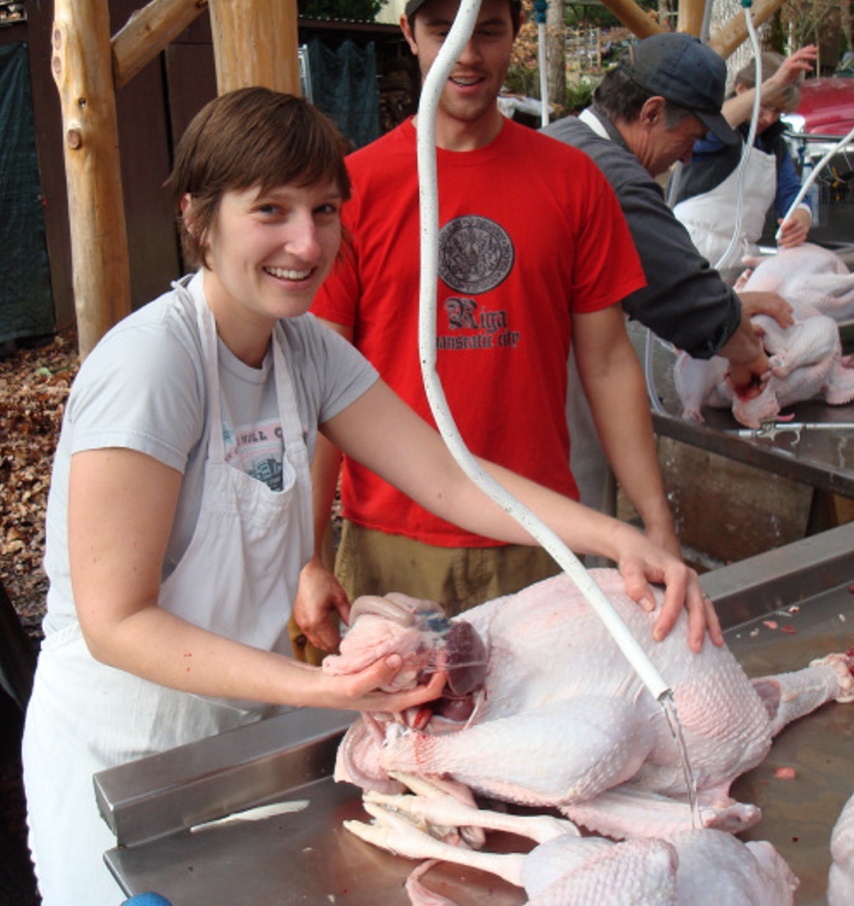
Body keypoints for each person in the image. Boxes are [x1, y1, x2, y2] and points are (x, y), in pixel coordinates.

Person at [20, 88, 719, 906]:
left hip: (238, 739)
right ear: (198, 217)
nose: (305, 242)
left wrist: (615, 536)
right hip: (124, 759)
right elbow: (117, 622)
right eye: (270, 211)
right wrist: (325, 689)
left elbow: (450, 475)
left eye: (324, 210)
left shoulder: (306, 350)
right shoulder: (153, 368)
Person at [304, 0, 679, 633]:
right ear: (409, 35)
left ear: (516, 33)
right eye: (442, 31)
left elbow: (609, 363)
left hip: (536, 531)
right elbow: (318, 384)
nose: (467, 54)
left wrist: (656, 519)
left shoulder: (574, 182)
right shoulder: (350, 190)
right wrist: (306, 555)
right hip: (393, 536)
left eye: (488, 31)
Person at [541, 33, 793, 395]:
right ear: (651, 113)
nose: (688, 157)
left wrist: (731, 306)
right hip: (555, 396)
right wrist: (749, 354)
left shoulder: (560, 136)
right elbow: (691, 304)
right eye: (689, 139)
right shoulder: (616, 181)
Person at [673, 47, 819, 267]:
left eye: (778, 111)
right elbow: (713, 126)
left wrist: (800, 219)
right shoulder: (716, 131)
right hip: (690, 246)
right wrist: (774, 83)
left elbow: (791, 193)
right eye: (766, 105)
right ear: (742, 90)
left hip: (743, 256)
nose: (770, 118)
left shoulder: (775, 146)